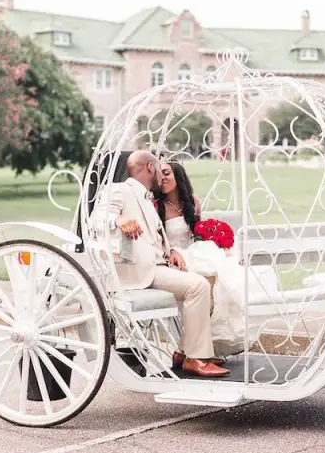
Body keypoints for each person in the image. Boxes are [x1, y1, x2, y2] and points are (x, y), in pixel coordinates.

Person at [94, 150, 230, 377]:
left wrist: (171, 252)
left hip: (159, 266)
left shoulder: (147, 197)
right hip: (140, 273)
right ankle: (194, 357)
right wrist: (119, 220)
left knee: (201, 282)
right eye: (159, 168)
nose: (162, 174)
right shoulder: (119, 190)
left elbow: (154, 237)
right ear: (150, 168)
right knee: (198, 286)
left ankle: (185, 353)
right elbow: (96, 218)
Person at [156, 160, 279, 357]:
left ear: (178, 176)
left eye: (167, 173)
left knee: (221, 280)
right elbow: (155, 237)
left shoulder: (191, 202)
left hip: (194, 252)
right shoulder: (157, 206)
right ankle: (188, 351)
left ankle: (189, 350)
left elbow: (195, 232)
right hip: (175, 258)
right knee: (208, 281)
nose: (162, 178)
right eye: (159, 174)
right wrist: (169, 251)